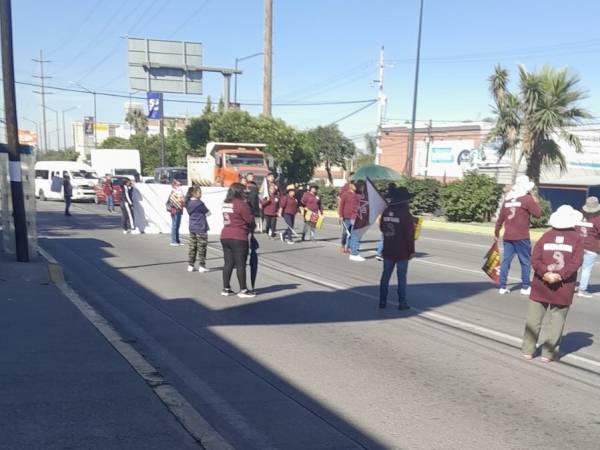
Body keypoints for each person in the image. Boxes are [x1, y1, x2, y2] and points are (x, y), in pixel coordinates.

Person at [522, 205, 584, 362]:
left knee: (533, 319)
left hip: (541, 283)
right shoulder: (577, 239)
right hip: (563, 286)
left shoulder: (546, 236)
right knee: (557, 320)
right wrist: (560, 275)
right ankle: (548, 354)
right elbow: (576, 262)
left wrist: (546, 273)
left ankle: (528, 351)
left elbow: (534, 258)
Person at [494, 175, 542, 295]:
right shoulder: (526, 199)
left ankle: (502, 286)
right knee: (525, 261)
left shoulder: (508, 201)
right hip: (522, 236)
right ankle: (525, 287)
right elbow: (538, 214)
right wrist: (532, 196)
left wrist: (496, 233)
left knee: (506, 261)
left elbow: (500, 219)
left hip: (508, 236)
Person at [379, 187, 416, 310]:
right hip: (402, 251)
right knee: (401, 277)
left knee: (385, 276)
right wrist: (411, 251)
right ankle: (402, 302)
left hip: (388, 248)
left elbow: (382, 228)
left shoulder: (385, 211)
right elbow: (409, 235)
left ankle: (382, 301)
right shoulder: (405, 214)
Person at [221, 183, 256, 298]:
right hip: (239, 236)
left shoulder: (225, 203)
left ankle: (226, 288)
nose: (245, 193)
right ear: (239, 192)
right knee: (241, 264)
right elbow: (249, 220)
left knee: (228, 263)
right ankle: (243, 290)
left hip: (225, 234)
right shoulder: (241, 204)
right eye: (243, 191)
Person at [576, 196, 600, 297]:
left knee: (575, 267)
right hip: (592, 247)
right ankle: (582, 289)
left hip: (578, 245)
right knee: (586, 269)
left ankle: (570, 285)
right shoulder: (598, 219)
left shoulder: (580, 216)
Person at [186, 186, 210, 273]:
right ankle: (202, 266)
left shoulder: (188, 203)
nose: (201, 194)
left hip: (192, 227)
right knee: (202, 247)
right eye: (199, 192)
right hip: (201, 227)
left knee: (192, 247)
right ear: (195, 193)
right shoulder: (200, 203)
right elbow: (208, 213)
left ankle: (190, 265)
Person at [338, 181, 359, 254]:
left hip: (354, 217)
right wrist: (340, 215)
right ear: (350, 185)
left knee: (352, 233)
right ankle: (343, 245)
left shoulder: (357, 196)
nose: (356, 186)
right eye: (354, 185)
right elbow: (341, 205)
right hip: (346, 216)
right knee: (345, 232)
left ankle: (349, 247)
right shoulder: (345, 194)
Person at [348, 180, 366, 261]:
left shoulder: (356, 195)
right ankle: (354, 253)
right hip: (356, 218)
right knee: (356, 235)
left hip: (354, 217)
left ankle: (353, 251)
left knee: (354, 235)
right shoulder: (358, 196)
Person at [167, 179, 185, 246]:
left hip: (179, 209)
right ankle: (173, 241)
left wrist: (182, 200)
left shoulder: (180, 191)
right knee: (174, 225)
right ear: (174, 185)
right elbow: (172, 201)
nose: (179, 186)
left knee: (177, 225)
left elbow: (183, 200)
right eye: (178, 184)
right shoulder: (173, 192)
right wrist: (180, 200)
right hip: (174, 210)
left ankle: (177, 240)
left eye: (180, 185)